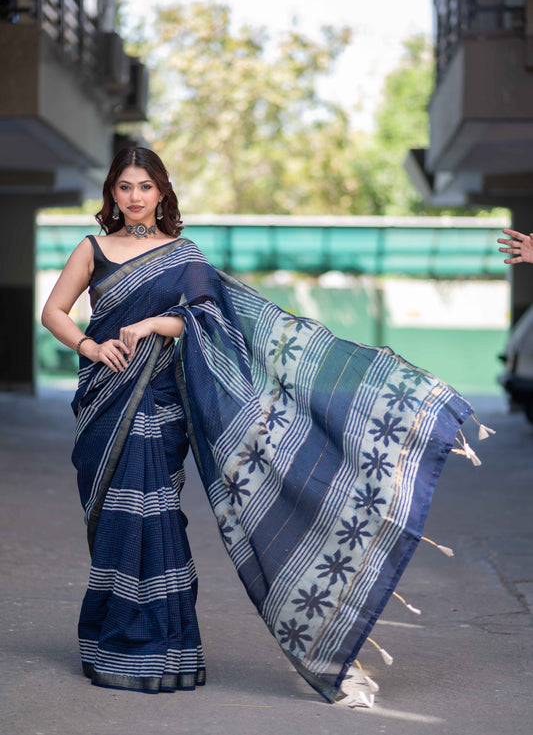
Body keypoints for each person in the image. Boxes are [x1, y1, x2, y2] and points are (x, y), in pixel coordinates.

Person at [42, 146, 479, 705]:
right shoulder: (93, 249)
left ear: (162, 192)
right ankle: (113, 642)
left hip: (158, 402)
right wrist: (89, 346)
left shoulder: (184, 254)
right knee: (115, 521)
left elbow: (209, 318)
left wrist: (155, 322)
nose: (134, 197)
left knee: (153, 514)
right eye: (124, 186)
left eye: (144, 187)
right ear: (112, 193)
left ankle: (163, 647)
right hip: (106, 399)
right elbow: (53, 311)